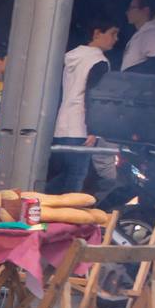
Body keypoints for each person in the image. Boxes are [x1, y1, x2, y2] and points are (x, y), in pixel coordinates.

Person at [47, 21, 118, 194]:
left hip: (62, 123)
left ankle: (41, 199)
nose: (115, 39)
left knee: (66, 173)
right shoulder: (99, 61)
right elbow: (92, 96)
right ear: (97, 33)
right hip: (81, 126)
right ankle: (61, 210)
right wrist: (92, 129)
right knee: (77, 174)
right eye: (113, 33)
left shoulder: (70, 57)